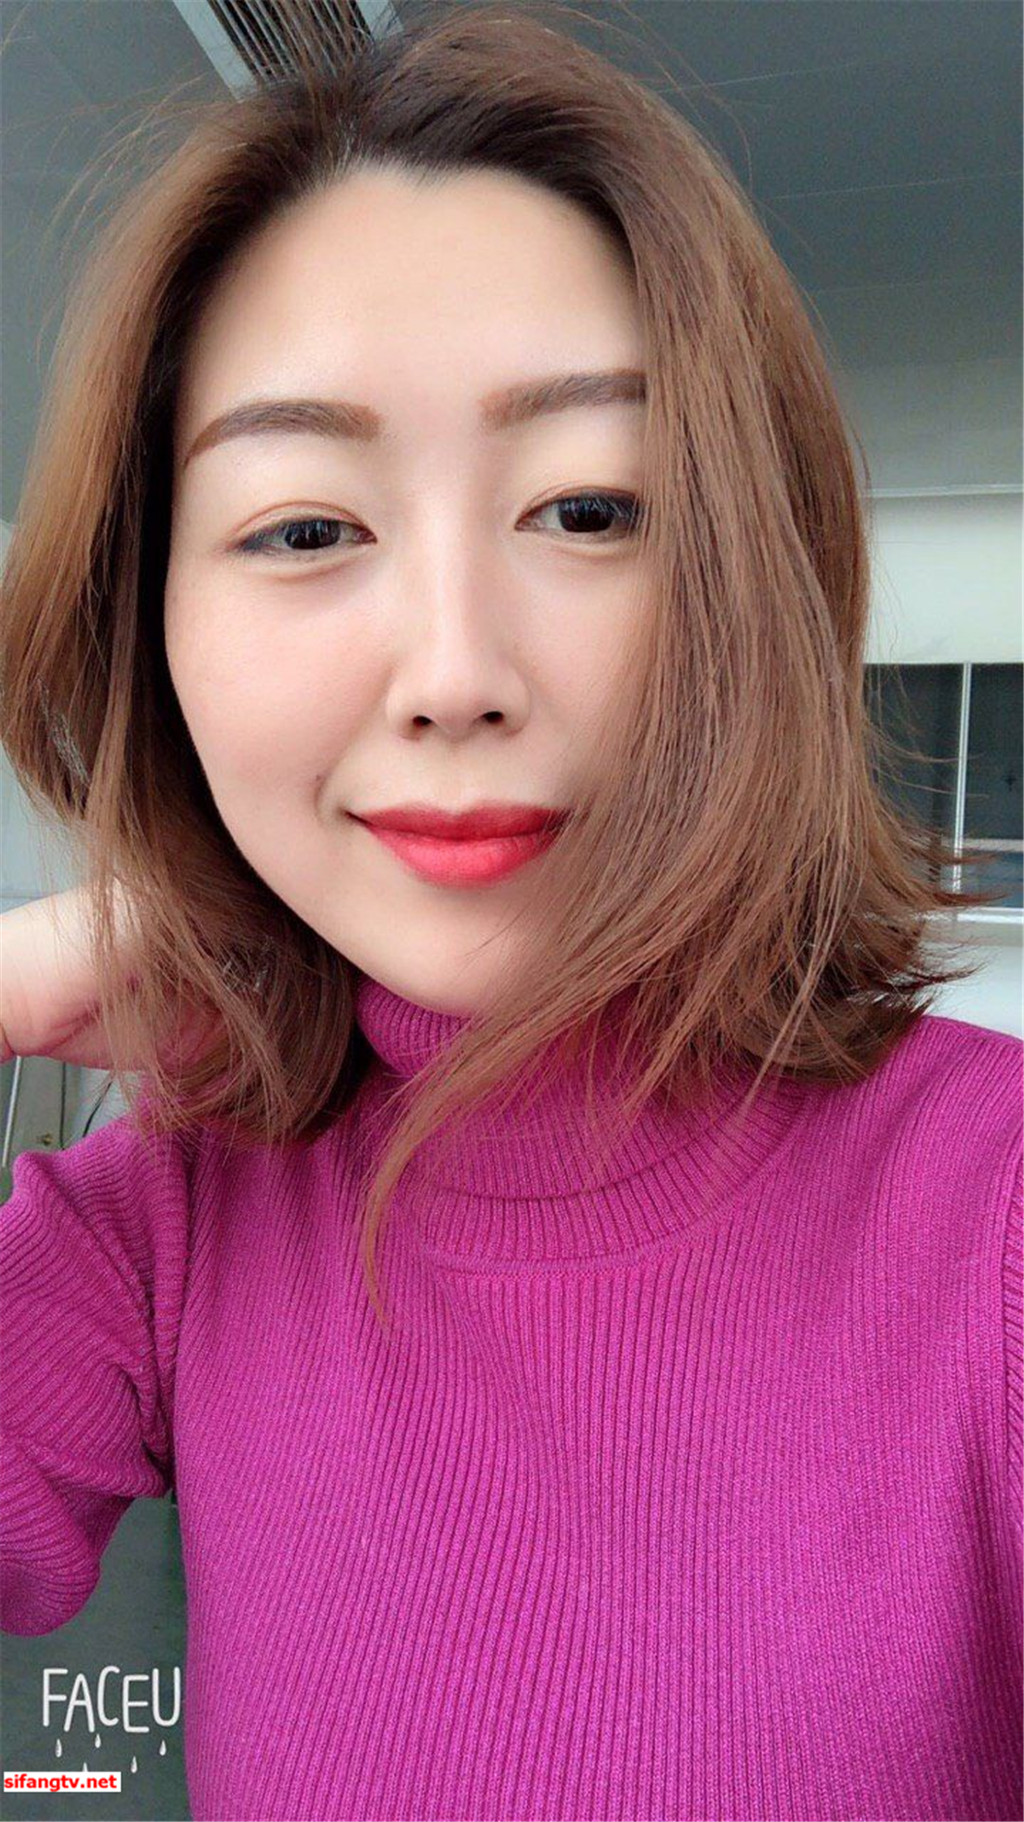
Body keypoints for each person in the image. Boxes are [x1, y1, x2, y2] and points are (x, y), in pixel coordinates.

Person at [1, 4, 1020, 1818]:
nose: (456, 673)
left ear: (754, 586)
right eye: (305, 529)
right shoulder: (169, 1212)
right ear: (152, 629)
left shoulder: (989, 1217)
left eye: (590, 507)